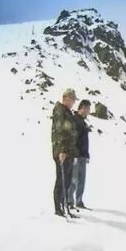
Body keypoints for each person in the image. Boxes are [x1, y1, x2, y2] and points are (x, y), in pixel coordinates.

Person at [51, 88, 79, 217]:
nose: (74, 103)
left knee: (67, 180)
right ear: (67, 98)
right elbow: (59, 131)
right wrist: (62, 150)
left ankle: (63, 205)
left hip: (69, 152)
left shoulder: (67, 112)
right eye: (73, 100)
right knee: (61, 180)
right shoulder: (60, 110)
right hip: (62, 152)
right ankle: (58, 208)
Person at [67, 99, 91, 210]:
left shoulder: (83, 122)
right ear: (82, 107)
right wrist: (74, 153)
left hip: (82, 155)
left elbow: (85, 141)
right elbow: (73, 138)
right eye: (87, 108)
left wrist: (87, 154)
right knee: (74, 179)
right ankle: (69, 201)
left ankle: (79, 200)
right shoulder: (75, 120)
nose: (88, 111)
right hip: (75, 155)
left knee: (82, 179)